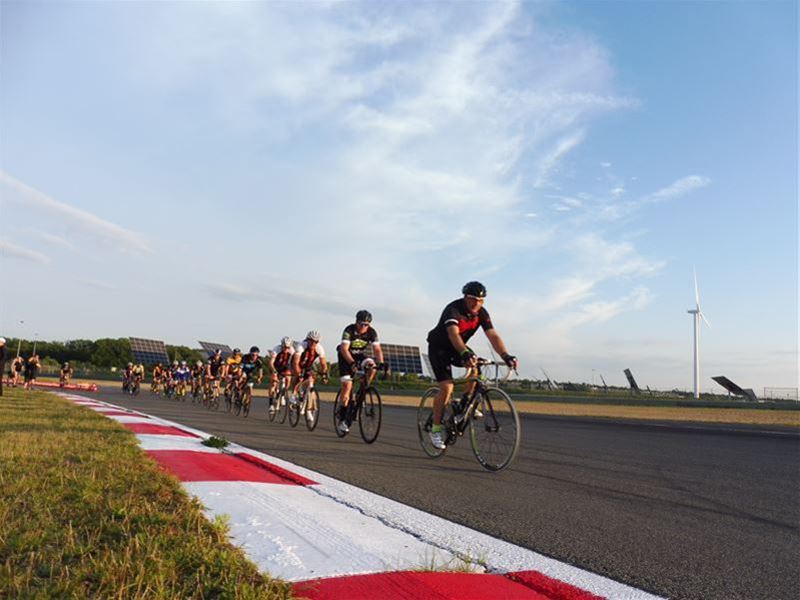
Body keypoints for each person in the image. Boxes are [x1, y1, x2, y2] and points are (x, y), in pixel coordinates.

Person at [426, 281, 518, 450]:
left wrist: (506, 355)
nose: (476, 304)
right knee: (447, 388)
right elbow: (453, 334)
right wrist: (465, 353)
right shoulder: (453, 309)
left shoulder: (481, 313)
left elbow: (493, 335)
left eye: (481, 301)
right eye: (473, 299)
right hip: (439, 347)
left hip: (457, 347)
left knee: (476, 368)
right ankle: (436, 429)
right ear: (465, 297)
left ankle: (464, 404)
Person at [336, 310, 385, 434]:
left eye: (367, 325)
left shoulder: (372, 332)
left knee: (371, 365)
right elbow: (344, 349)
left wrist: (381, 363)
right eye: (362, 324)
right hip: (345, 357)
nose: (364, 327)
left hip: (360, 356)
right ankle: (342, 417)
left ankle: (364, 387)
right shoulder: (349, 330)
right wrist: (352, 363)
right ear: (356, 322)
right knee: (347, 386)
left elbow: (377, 349)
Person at [291, 330, 329, 422]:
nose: (313, 343)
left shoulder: (319, 348)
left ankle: (309, 410)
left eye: (316, 341)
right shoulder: (301, 346)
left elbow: (324, 364)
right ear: (307, 340)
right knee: (297, 377)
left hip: (308, 365)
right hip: (297, 363)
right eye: (311, 341)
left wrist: (324, 375)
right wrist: (299, 374)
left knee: (311, 381)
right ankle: (294, 396)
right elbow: (295, 363)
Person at [267, 337, 296, 413]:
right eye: (285, 347)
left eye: (288, 347)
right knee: (273, 383)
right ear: (282, 345)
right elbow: (271, 363)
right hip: (275, 367)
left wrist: (294, 371)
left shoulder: (292, 350)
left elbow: (294, 362)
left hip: (284, 367)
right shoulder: (276, 349)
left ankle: (282, 394)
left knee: (288, 379)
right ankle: (270, 405)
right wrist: (274, 371)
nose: (286, 349)